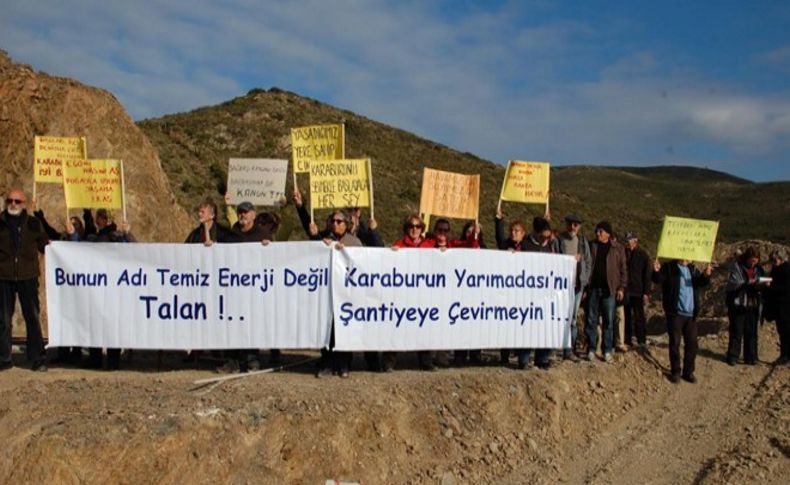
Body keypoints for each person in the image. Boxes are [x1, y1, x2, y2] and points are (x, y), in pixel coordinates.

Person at [293, 189, 383, 373]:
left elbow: (371, 257)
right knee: (328, 327)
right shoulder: (324, 239)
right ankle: (327, 362)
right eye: (333, 221)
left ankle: (344, 364)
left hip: (349, 295)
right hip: (327, 294)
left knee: (346, 329)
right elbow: (311, 242)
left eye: (339, 221)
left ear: (346, 224)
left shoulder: (355, 242)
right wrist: (302, 209)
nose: (335, 224)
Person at [0, 188, 49, 371]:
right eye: (10, 201)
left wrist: (67, 236)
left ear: (24, 204)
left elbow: (45, 245)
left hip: (28, 277)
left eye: (17, 201)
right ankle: (4, 358)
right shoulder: (0, 221)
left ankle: (38, 358)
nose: (13, 204)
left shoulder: (34, 223)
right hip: (3, 277)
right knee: (3, 319)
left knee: (32, 317)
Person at [80, 210, 136, 370]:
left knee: (113, 324)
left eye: (103, 218)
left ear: (108, 220)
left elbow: (133, 249)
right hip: (96, 285)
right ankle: (95, 359)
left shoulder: (117, 236)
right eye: (98, 218)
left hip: (115, 285)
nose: (100, 220)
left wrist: (127, 234)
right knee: (95, 321)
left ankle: (113, 361)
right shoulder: (92, 237)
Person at [388, 214, 438, 371]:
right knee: (397, 325)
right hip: (403, 292)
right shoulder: (399, 245)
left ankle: (425, 361)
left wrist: (443, 253)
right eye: (411, 226)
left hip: (423, 292)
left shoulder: (430, 245)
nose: (414, 229)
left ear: (422, 229)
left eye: (417, 226)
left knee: (423, 325)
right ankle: (389, 361)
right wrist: (391, 253)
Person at [652, 258, 712, 383]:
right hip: (675, 313)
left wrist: (706, 275)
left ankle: (688, 372)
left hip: (691, 314)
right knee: (675, 343)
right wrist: (656, 271)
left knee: (692, 344)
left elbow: (700, 282)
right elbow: (658, 279)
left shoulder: (692, 268)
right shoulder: (669, 267)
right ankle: (675, 372)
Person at [552, 214, 592, 361]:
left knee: (573, 319)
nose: (573, 227)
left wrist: (584, 280)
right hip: (562, 286)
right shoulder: (559, 240)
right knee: (559, 317)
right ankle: (557, 347)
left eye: (576, 224)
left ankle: (570, 349)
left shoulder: (582, 242)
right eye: (570, 224)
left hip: (577, 286)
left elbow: (588, 261)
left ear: (579, 226)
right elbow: (554, 259)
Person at [586, 221, 627, 363]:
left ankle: (607, 350)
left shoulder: (617, 249)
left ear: (608, 234)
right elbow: (587, 264)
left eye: (601, 231)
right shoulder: (592, 246)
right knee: (591, 320)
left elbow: (623, 270)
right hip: (593, 288)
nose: (598, 233)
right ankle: (591, 349)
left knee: (609, 321)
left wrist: (621, 287)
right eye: (597, 231)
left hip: (609, 290)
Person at [494, 209, 528, 366]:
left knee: (521, 323)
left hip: (522, 292)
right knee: (506, 323)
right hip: (507, 291)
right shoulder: (505, 244)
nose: (514, 233)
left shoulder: (528, 247)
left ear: (523, 233)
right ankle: (504, 356)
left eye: (517, 231)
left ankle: (522, 358)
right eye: (512, 231)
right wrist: (499, 220)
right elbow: (499, 237)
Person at [725, 247, 767, 366]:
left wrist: (763, 284)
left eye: (756, 260)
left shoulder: (759, 269)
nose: (753, 263)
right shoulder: (738, 267)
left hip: (753, 304)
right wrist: (746, 283)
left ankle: (751, 357)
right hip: (739, 304)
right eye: (752, 260)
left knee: (751, 332)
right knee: (736, 331)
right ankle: (733, 356)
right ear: (747, 258)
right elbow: (733, 283)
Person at [623, 232, 652, 349]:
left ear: (635, 241)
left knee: (639, 317)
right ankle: (627, 339)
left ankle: (641, 340)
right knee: (626, 316)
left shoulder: (643, 255)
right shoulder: (623, 253)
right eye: (627, 240)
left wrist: (646, 292)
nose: (628, 243)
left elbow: (647, 275)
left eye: (630, 240)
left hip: (638, 291)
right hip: (626, 290)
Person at [767, 250, 790, 364]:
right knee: (782, 331)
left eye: (774, 260)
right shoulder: (776, 270)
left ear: (781, 259)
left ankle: (785, 356)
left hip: (785, 307)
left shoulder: (786, 270)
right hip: (779, 306)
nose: (773, 262)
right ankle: (784, 355)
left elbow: (785, 288)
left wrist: (771, 287)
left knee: (785, 331)